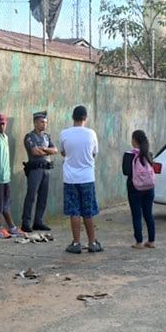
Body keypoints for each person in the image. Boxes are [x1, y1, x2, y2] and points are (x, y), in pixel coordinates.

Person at [59, 105, 103, 254]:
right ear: (85, 118)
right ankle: (92, 242)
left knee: (74, 211)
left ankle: (76, 243)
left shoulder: (64, 133)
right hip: (87, 177)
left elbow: (63, 152)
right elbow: (94, 153)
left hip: (70, 178)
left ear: (73, 117)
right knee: (88, 211)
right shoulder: (91, 134)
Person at [21, 111, 58, 232]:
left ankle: (38, 221)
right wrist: (47, 151)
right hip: (35, 170)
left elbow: (55, 150)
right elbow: (34, 152)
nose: (44, 124)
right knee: (31, 196)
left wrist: (44, 149)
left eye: (45, 122)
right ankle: (26, 223)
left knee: (43, 197)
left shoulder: (47, 137)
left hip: (46, 170)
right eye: (42, 122)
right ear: (35, 122)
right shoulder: (30, 137)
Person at [122, 130, 156, 248]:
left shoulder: (129, 154)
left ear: (135, 140)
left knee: (137, 215)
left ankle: (139, 242)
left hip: (134, 188)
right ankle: (151, 241)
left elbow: (126, 171)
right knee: (148, 214)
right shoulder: (148, 153)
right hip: (149, 187)